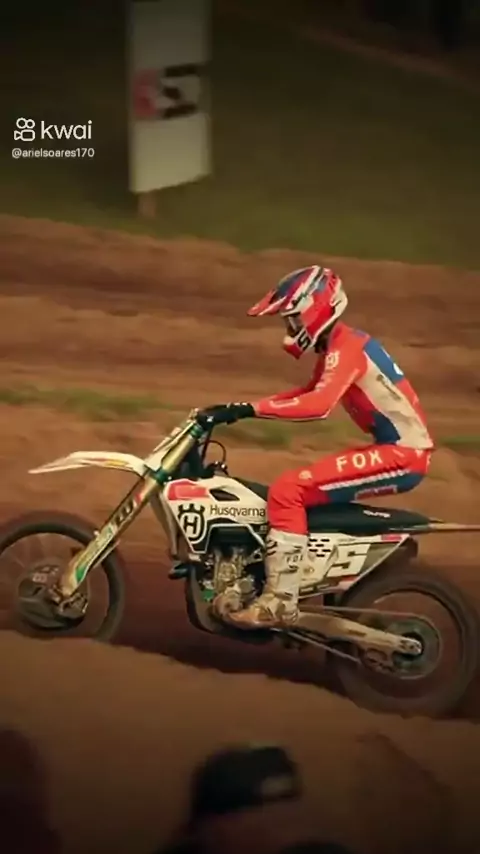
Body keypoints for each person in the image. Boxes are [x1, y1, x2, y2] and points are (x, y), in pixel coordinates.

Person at [196, 265, 433, 630]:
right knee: (298, 491)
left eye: (292, 319)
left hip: (404, 455)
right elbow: (306, 392)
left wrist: (249, 410)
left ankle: (279, 600)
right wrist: (238, 408)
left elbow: (317, 405)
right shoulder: (339, 345)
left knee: (288, 490)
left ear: (315, 309)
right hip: (395, 449)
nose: (289, 328)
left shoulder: (347, 348)